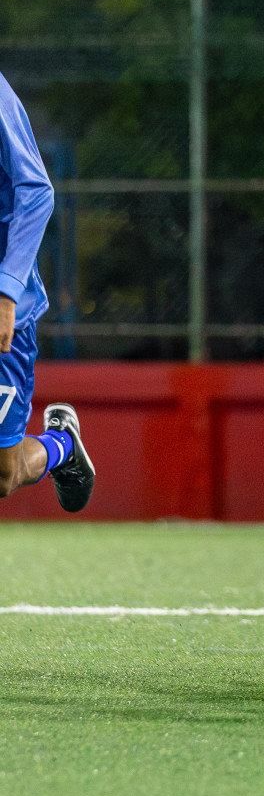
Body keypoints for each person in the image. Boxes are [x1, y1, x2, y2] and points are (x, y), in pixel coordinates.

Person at [0, 71, 95, 512]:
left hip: (5, 315)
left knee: (5, 474)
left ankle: (61, 446)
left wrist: (6, 293)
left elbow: (37, 192)